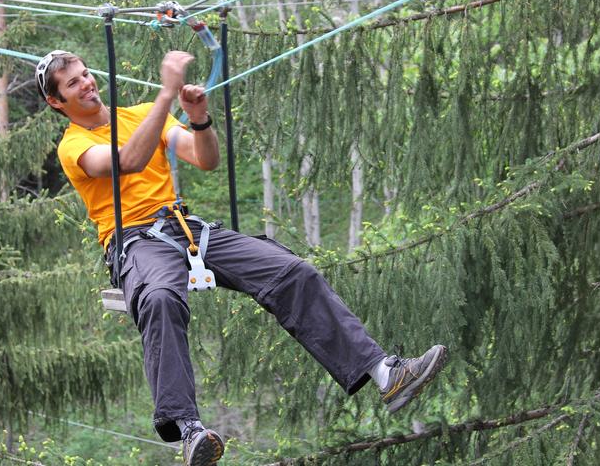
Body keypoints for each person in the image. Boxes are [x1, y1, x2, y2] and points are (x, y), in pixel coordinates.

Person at [36, 49, 447, 466]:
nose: (87, 84)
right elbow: (129, 160)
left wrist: (199, 118)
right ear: (56, 101)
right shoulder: (75, 145)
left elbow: (205, 158)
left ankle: (385, 374)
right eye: (73, 83)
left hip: (184, 225)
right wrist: (165, 95)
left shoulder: (140, 114)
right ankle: (187, 428)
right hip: (136, 241)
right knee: (159, 298)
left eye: (86, 75)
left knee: (292, 271)